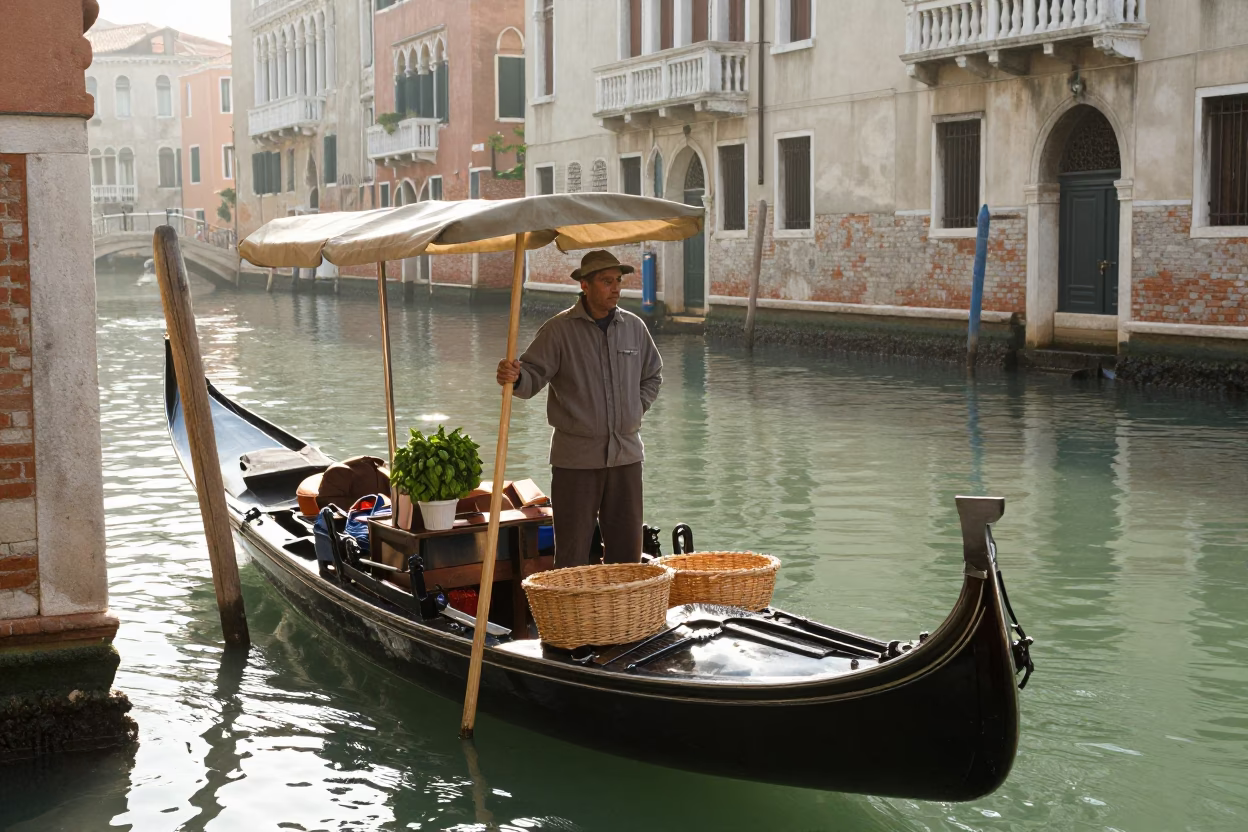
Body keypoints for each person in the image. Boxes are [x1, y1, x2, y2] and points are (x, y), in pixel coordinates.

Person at [496, 250, 662, 567]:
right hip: (575, 462)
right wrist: (514, 377)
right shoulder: (558, 331)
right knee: (572, 553)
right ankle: (571, 616)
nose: (615, 288)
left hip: (626, 457)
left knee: (627, 554)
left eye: (618, 281)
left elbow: (653, 375)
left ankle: (622, 614)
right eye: (606, 281)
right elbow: (530, 379)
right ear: (584, 285)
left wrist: (635, 409)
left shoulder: (634, 328)